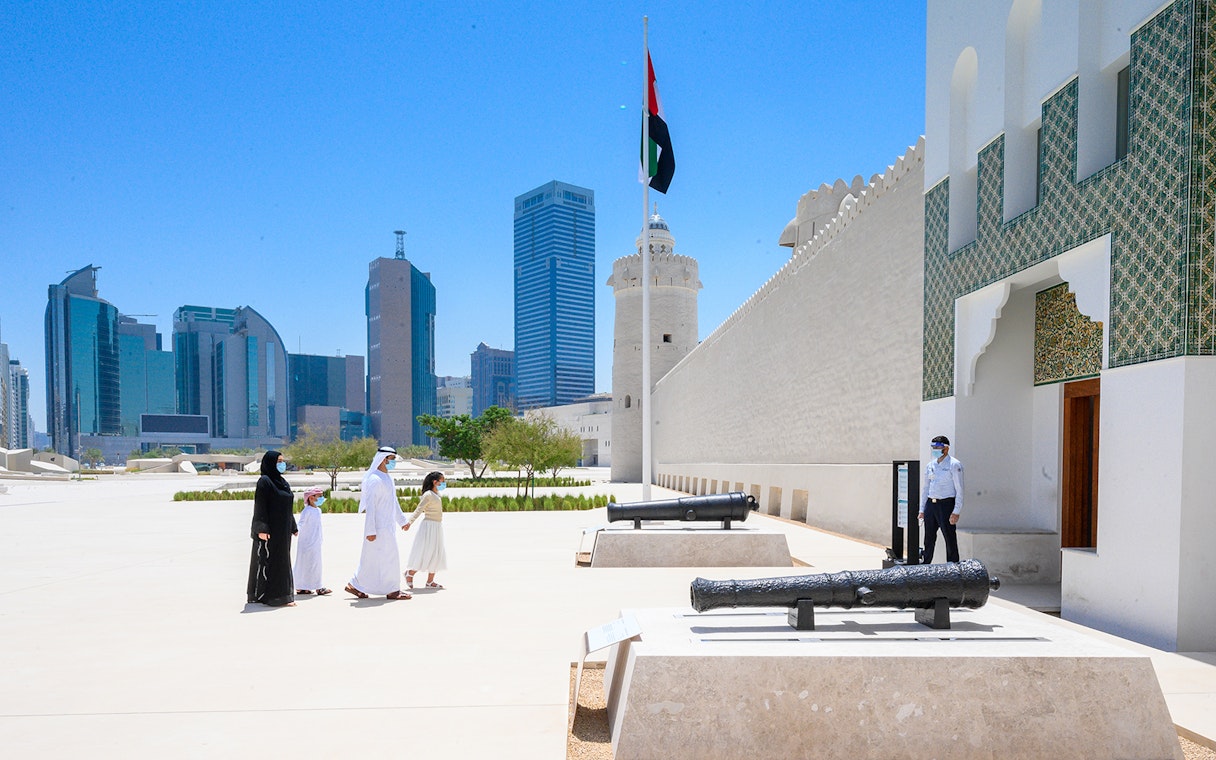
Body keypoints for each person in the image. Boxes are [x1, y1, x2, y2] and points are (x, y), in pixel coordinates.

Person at [345, 447, 411, 600]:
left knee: (379, 559)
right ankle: (392, 590)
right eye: (392, 459)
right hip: (378, 528)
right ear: (383, 459)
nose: (393, 463)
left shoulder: (387, 478)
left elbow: (393, 502)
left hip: (388, 527)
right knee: (382, 558)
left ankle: (355, 585)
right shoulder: (374, 479)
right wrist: (370, 531)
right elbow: (371, 507)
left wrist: (402, 521)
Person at [247, 450, 298, 607]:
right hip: (270, 531)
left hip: (283, 531)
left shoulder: (282, 482)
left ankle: (284, 595)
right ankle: (270, 596)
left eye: (282, 461)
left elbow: (287, 507)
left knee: (283, 561)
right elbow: (260, 506)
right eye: (278, 461)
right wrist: (261, 528)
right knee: (270, 561)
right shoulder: (265, 481)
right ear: (270, 463)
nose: (282, 464)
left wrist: (293, 526)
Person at [918, 435, 964, 564]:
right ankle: (925, 566)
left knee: (949, 538)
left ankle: (953, 567)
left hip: (946, 505)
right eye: (934, 447)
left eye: (938, 447)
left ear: (946, 448)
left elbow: (959, 489)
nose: (935, 450)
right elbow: (925, 488)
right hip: (931, 504)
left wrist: (956, 511)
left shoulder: (954, 464)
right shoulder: (930, 465)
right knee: (929, 539)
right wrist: (922, 509)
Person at [404, 471, 449, 590]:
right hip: (429, 527)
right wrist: (409, 522)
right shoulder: (428, 494)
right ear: (435, 482)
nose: (443, 483)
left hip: (437, 526)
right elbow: (419, 509)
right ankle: (410, 573)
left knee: (436, 552)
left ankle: (430, 581)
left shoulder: (436, 493)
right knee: (426, 551)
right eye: (442, 481)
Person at [294, 487, 331, 596]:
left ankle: (306, 586)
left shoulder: (318, 510)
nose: (321, 498)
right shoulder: (307, 511)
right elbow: (301, 524)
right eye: (319, 496)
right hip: (306, 543)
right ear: (311, 498)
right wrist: (295, 530)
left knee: (314, 564)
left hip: (316, 542)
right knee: (306, 565)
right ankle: (316, 587)